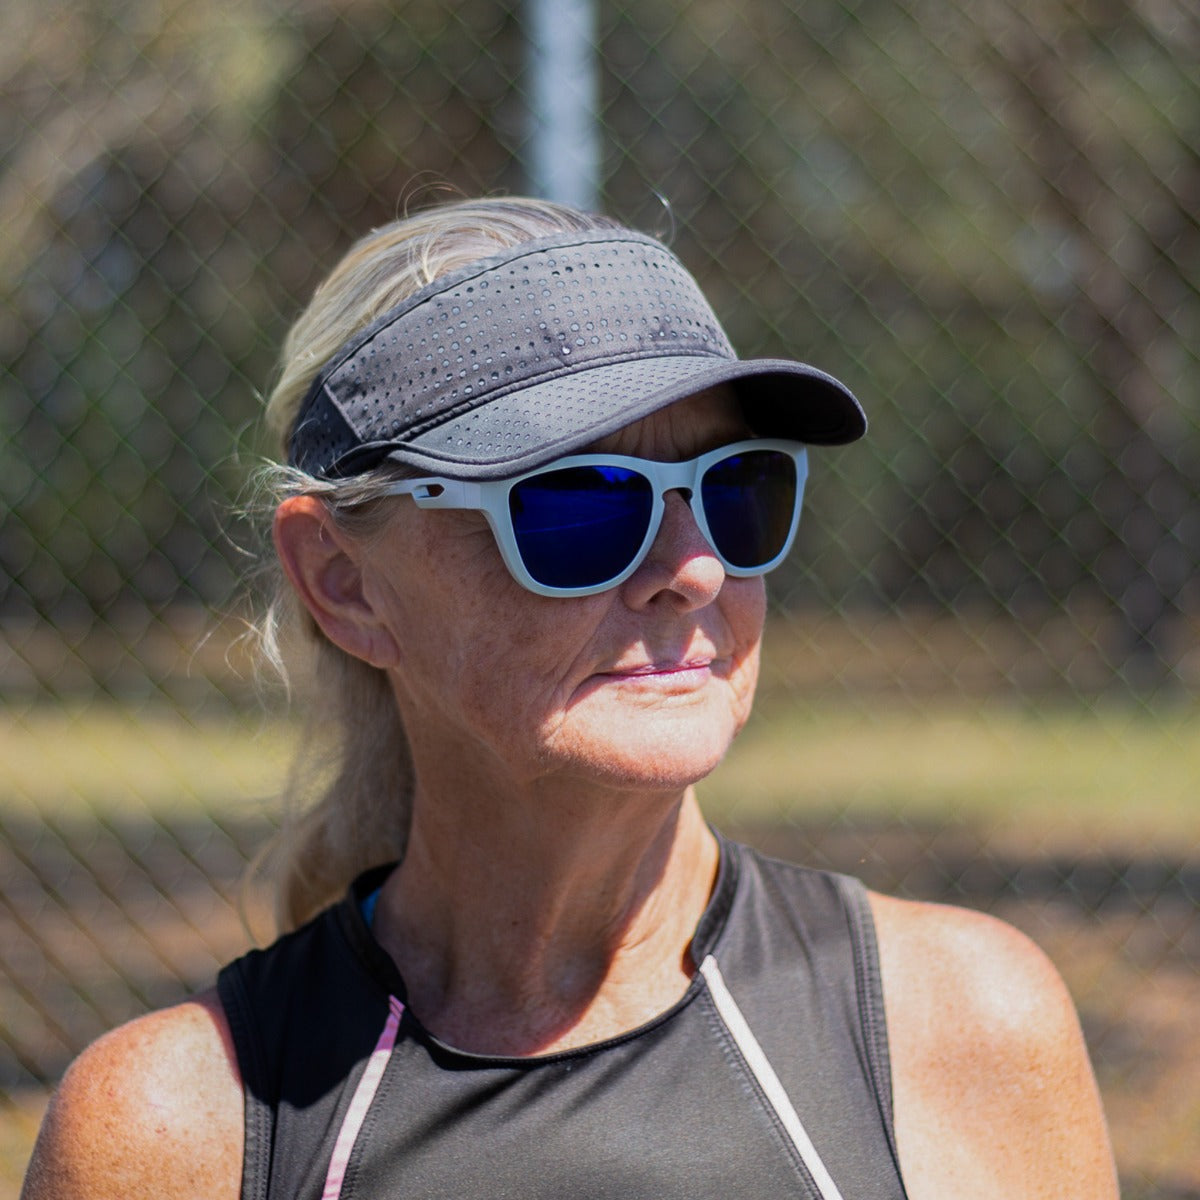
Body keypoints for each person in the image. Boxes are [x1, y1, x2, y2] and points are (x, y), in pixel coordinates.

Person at [22, 196, 1118, 1200]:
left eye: (735, 489)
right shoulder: (175, 1132)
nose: (695, 568)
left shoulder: (961, 1028)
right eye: (579, 505)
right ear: (345, 584)